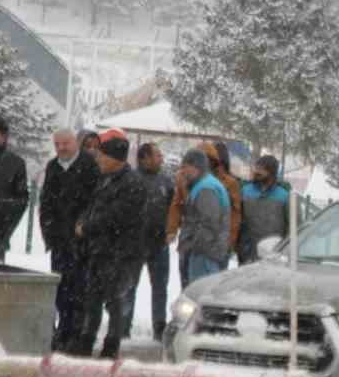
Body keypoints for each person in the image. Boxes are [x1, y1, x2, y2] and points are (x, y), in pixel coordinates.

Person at [70, 135, 146, 358]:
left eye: (103, 156)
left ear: (116, 158)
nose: (99, 160)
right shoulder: (105, 178)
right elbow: (93, 206)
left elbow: (116, 217)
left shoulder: (131, 183)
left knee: (114, 301)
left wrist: (88, 227)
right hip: (99, 250)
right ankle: (86, 341)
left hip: (120, 252)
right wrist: (83, 221)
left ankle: (111, 345)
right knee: (92, 299)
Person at [39, 128, 101, 350]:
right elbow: (46, 202)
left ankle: (76, 333)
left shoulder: (89, 166)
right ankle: (62, 330)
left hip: (82, 241)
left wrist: (83, 227)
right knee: (61, 289)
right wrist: (49, 232)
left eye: (65, 143)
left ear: (75, 142)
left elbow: (94, 202)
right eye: (57, 144)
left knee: (79, 290)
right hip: (59, 241)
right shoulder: (53, 167)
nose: (61, 148)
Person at [121, 142, 173, 339]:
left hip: (159, 245)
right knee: (128, 288)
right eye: (157, 155)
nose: (161, 159)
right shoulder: (130, 180)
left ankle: (159, 328)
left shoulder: (166, 182)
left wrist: (170, 230)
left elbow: (173, 209)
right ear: (144, 158)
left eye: (160, 155)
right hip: (134, 245)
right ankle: (123, 327)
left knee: (160, 288)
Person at [176, 149, 231, 287]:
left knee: (199, 299)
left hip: (205, 256)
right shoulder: (204, 185)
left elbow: (209, 224)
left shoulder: (206, 188)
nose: (182, 172)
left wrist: (192, 246)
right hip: (206, 253)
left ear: (195, 167)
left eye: (184, 167)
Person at [237, 154, 291, 264]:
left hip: (274, 254)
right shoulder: (245, 191)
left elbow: (291, 227)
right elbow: (238, 220)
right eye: (256, 168)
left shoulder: (284, 196)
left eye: (260, 170)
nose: (256, 172)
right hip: (248, 254)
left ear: (271, 173)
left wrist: (285, 250)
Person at [207, 141, 244, 260]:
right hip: (202, 241)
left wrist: (230, 241)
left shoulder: (232, 183)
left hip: (220, 241)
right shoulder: (200, 180)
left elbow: (235, 214)